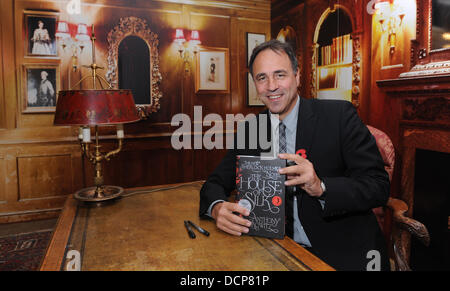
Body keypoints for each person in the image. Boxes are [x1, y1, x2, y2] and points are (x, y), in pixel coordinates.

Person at [199, 39, 390, 271]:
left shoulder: (339, 116)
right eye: (262, 78)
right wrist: (218, 207)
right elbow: (215, 183)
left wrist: (321, 187)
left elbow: (378, 186)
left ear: (298, 77)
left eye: (280, 75)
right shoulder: (252, 128)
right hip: (276, 250)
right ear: (255, 84)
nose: (271, 86)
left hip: (342, 251)